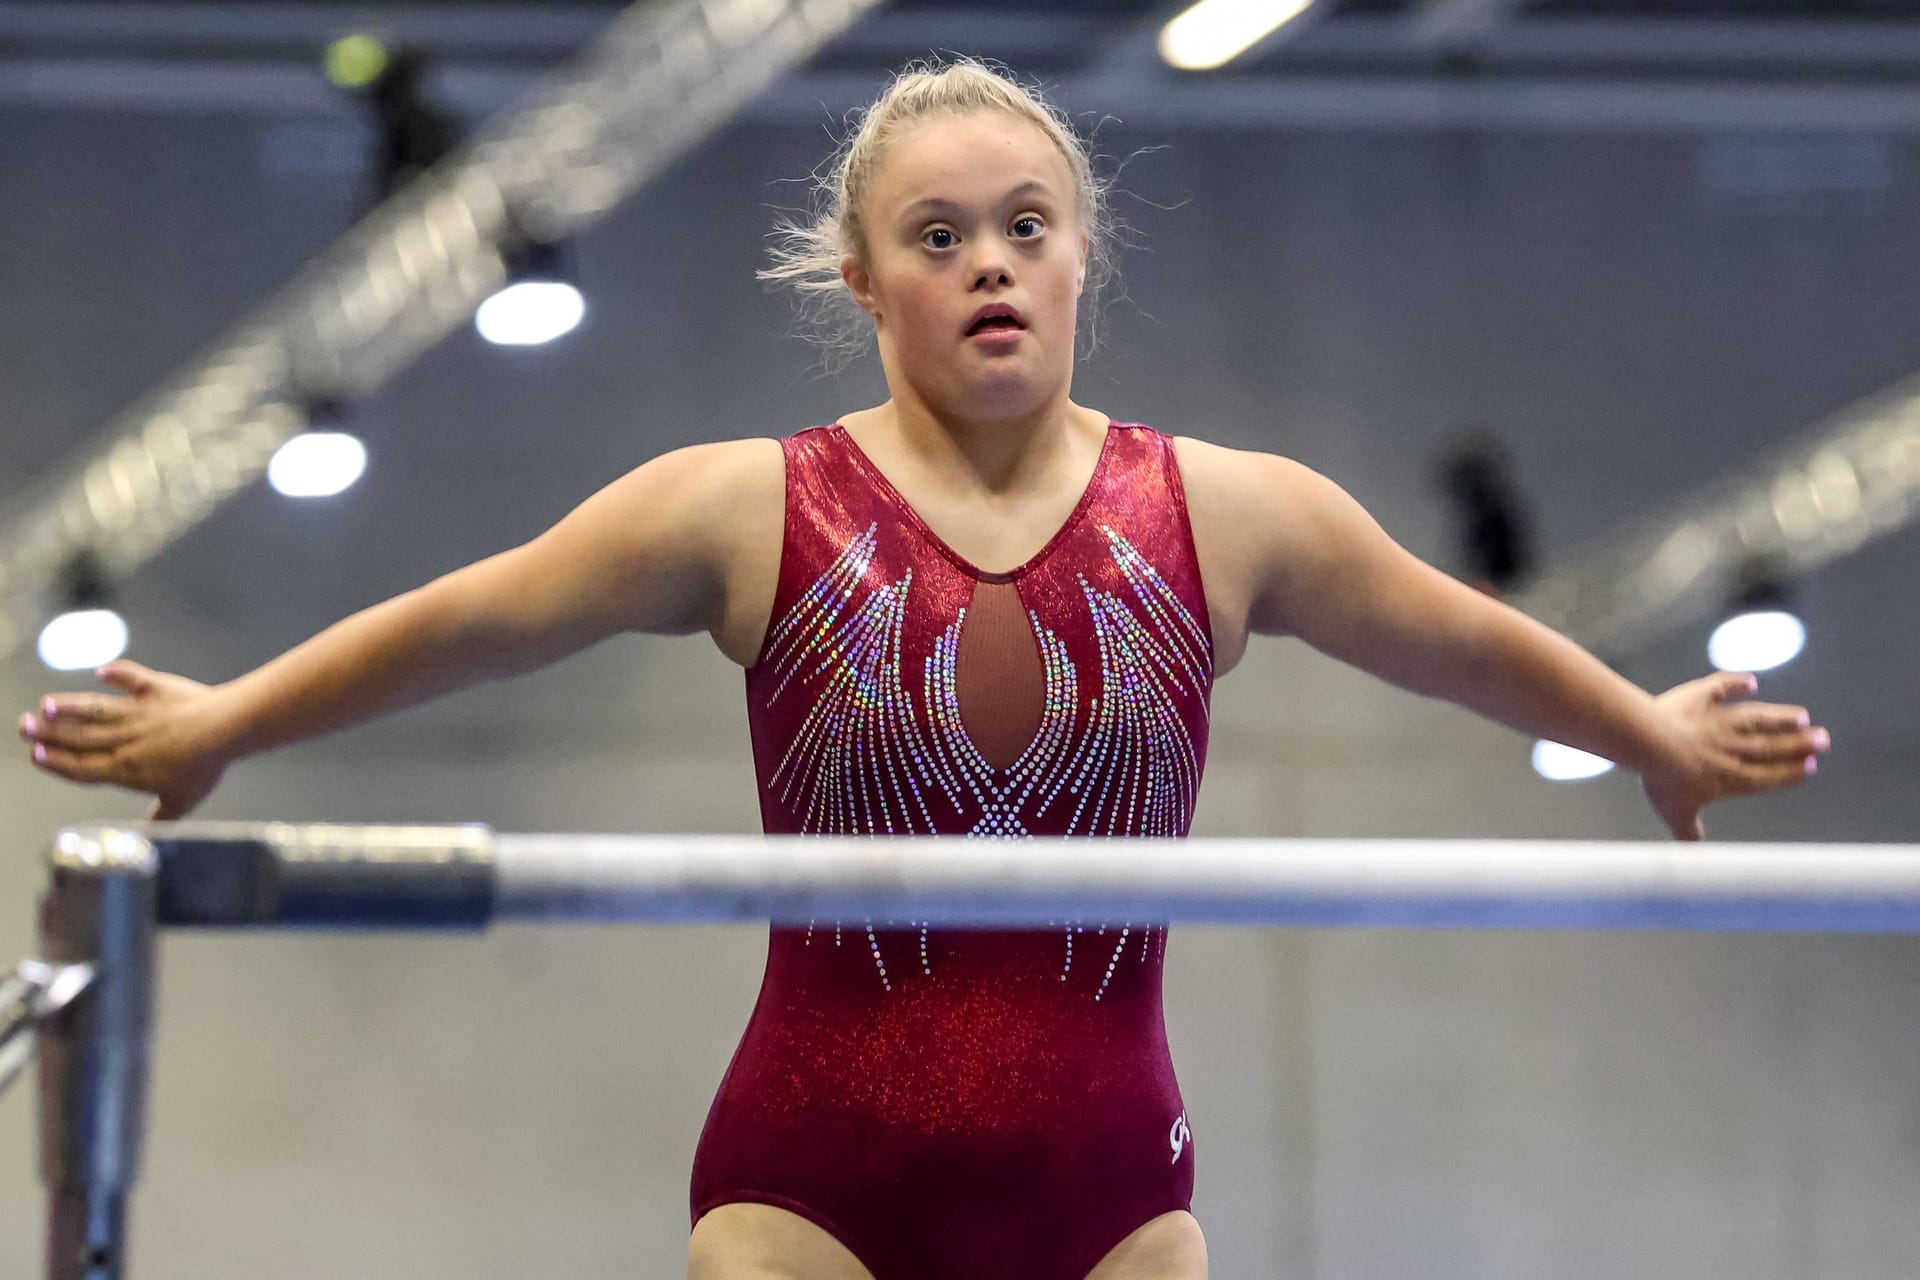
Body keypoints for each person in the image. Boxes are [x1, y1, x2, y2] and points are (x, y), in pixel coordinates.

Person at [16, 58, 1829, 1280]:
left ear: (1082, 255)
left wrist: (1646, 729)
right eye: (938, 238)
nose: (990, 268)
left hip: (1120, 1195)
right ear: (865, 282)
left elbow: (1461, 640)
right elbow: (481, 612)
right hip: (809, 1194)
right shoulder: (744, 511)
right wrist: (234, 722)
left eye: (1027, 227)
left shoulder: (1233, 516)